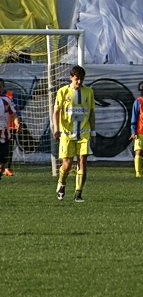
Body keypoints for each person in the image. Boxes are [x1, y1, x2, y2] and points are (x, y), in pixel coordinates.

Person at [52, 66, 96, 202]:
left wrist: (93, 131)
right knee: (67, 164)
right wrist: (56, 128)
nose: (79, 82)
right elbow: (56, 112)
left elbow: (92, 113)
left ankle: (78, 193)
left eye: (81, 79)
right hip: (67, 133)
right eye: (77, 79)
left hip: (84, 132)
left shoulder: (88, 92)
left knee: (82, 161)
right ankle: (62, 182)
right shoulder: (63, 92)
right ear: (71, 78)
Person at [0, 88, 20, 180]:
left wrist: (17, 123)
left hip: (5, 133)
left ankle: (5, 168)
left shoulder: (7, 98)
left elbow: (14, 113)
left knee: (2, 162)